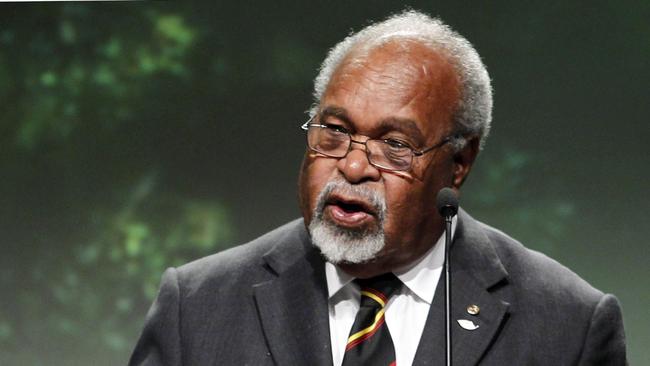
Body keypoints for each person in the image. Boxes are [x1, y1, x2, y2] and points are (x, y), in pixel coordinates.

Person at [129, 10, 626, 366]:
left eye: (394, 144)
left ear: (459, 164)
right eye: (335, 131)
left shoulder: (568, 326)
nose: (352, 166)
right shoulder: (197, 308)